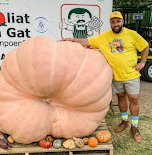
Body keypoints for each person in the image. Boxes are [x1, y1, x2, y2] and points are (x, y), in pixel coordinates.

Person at [60, 11, 149, 143]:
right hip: (115, 75)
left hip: (131, 74)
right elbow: (87, 41)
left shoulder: (132, 34)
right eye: (113, 22)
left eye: (118, 21)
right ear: (110, 23)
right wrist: (72, 40)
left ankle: (134, 127)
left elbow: (145, 46)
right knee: (120, 97)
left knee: (134, 98)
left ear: (122, 22)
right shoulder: (104, 37)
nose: (116, 24)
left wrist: (142, 63)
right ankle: (124, 121)